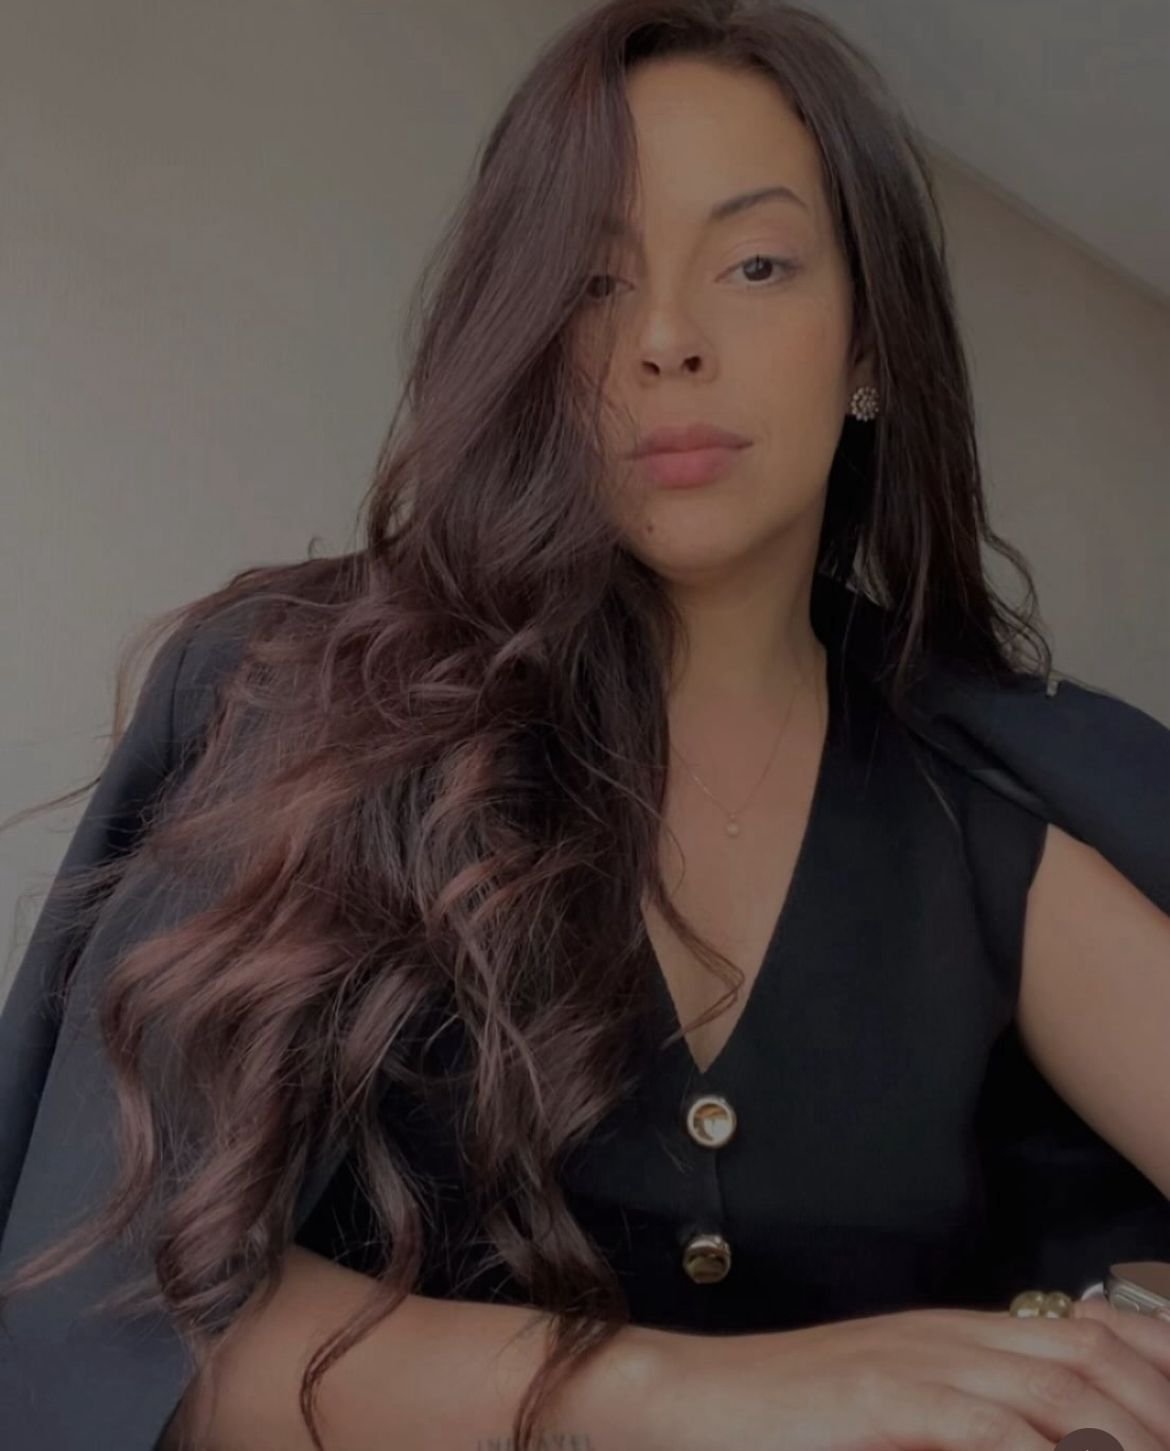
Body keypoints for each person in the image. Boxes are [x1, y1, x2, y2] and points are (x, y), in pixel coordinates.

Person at [2, 2, 1169, 1448]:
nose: (667, 340)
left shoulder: (989, 797)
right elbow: (123, 1321)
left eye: (755, 264)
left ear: (869, 342)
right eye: (595, 280)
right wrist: (690, 1388)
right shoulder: (299, 696)